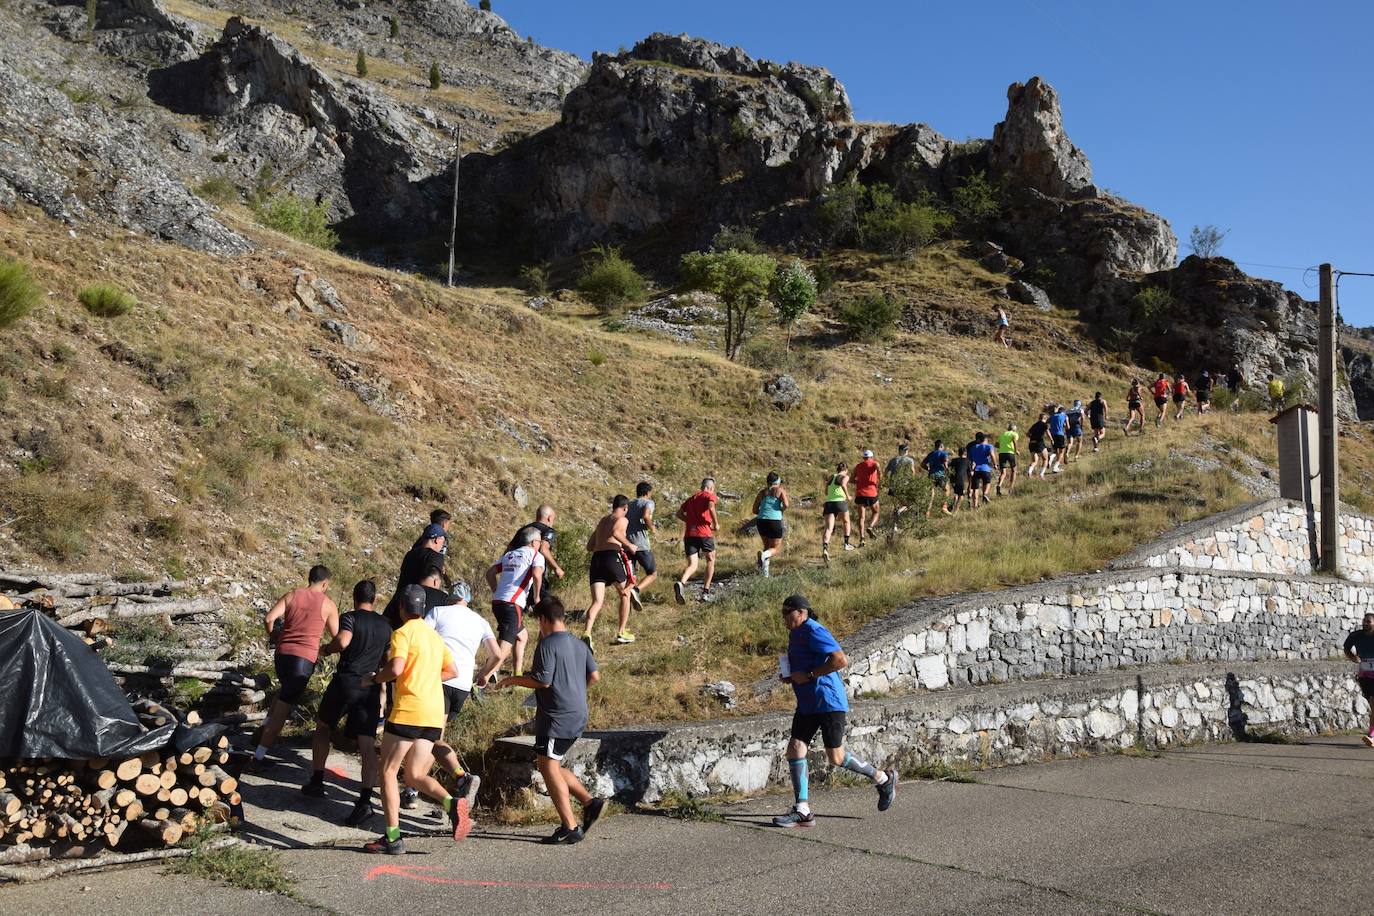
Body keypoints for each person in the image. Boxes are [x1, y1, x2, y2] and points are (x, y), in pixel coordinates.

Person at [771, 595, 895, 828]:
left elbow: (840, 660)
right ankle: (803, 810)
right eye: (782, 612)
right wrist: (792, 676)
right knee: (795, 747)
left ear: (801, 612)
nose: (784, 617)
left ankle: (883, 778)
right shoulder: (795, 634)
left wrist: (807, 675)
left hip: (828, 700)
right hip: (807, 703)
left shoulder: (814, 630)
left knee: (836, 757)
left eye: (787, 612)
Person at [493, 595, 606, 845]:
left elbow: (542, 680)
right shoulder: (579, 644)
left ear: (542, 619)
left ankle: (570, 826)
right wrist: (575, 691)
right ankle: (589, 802)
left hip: (556, 718)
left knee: (547, 767)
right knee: (551, 764)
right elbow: (594, 676)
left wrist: (512, 679)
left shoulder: (547, 645)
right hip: (578, 714)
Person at [364, 586, 468, 855]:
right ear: (422, 609)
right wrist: (427, 679)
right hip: (433, 715)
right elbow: (452, 670)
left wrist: (376, 678)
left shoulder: (402, 633)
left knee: (387, 772)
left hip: (409, 711)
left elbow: (396, 668)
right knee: (415, 774)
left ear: (401, 608)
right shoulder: (435, 638)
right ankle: (450, 802)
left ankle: (393, 838)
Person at [302, 579, 389, 826]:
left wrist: (327, 650)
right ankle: (364, 801)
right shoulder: (385, 624)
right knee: (367, 744)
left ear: (354, 597)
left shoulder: (350, 617)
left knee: (323, 727)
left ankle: (317, 781)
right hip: (369, 686)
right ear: (375, 599)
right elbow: (388, 658)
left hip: (346, 682)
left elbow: (342, 641)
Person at [252, 565, 340, 769]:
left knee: (283, 692)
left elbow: (269, 618)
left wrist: (273, 634)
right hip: (304, 659)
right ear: (325, 583)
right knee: (284, 706)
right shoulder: (328, 604)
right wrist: (327, 649)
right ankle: (258, 756)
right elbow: (337, 637)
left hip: (282, 654)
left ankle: (262, 729)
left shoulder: (292, 595)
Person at [420, 579, 498, 807]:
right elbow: (497, 654)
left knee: (432, 738)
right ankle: (418, 787)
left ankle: (461, 778)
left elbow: (421, 638)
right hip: (463, 685)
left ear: (449, 596)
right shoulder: (480, 621)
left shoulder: (438, 611)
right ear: (469, 599)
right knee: (434, 736)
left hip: (440, 679)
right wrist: (483, 675)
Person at [484, 526, 545, 679]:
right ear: (532, 542)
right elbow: (537, 575)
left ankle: (516, 674)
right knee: (505, 646)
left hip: (498, 602)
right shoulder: (535, 555)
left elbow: (490, 573)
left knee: (522, 636)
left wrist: (496, 591)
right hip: (513, 604)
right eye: (539, 541)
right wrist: (537, 598)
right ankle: (482, 678)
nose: (541, 544)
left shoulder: (510, 554)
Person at [583, 495, 638, 651]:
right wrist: (629, 545)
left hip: (596, 560)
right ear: (625, 508)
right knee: (625, 594)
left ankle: (587, 633)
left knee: (597, 602)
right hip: (611, 558)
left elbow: (589, 546)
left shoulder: (602, 521)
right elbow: (616, 532)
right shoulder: (622, 519)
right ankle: (621, 631)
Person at [384, 529, 446, 629]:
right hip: (418, 605)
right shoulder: (436, 557)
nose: (441, 546)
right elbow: (432, 579)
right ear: (437, 540)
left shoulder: (409, 554)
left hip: (399, 600)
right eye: (442, 542)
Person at [675, 478, 719, 604]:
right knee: (710, 560)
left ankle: (681, 583)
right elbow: (711, 506)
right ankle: (705, 591)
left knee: (692, 565)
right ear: (710, 488)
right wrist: (715, 524)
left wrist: (690, 521)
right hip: (704, 533)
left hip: (690, 534)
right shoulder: (709, 496)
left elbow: (678, 514)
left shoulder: (691, 498)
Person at [509, 505, 566, 585]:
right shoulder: (549, 531)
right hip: (535, 577)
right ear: (549, 518)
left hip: (515, 576)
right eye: (553, 519)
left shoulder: (523, 530)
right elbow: (543, 549)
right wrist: (556, 568)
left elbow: (508, 551)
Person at [1343, 613, 1374, 748]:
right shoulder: (1356, 636)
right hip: (1364, 675)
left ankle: (1372, 735)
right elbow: (1346, 648)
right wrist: (1352, 657)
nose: (1365, 624)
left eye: (1369, 622)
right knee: (1372, 706)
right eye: (1364, 621)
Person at [625, 482, 658, 612]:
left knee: (631, 578)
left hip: (627, 545)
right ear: (648, 493)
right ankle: (636, 590)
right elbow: (645, 515)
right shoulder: (648, 503)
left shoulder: (629, 505)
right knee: (652, 573)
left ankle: (628, 607)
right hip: (641, 545)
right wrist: (653, 528)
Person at [820, 463, 853, 560]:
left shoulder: (831, 477)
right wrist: (848, 496)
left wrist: (829, 493)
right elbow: (843, 484)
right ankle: (846, 544)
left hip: (829, 503)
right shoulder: (845, 476)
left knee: (828, 528)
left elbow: (826, 490)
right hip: (840, 502)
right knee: (846, 522)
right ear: (846, 469)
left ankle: (825, 549)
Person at [852, 449, 881, 546]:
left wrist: (860, 482)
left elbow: (852, 479)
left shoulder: (858, 466)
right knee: (876, 512)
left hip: (860, 494)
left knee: (861, 518)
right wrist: (880, 480)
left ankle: (862, 539)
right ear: (871, 457)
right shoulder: (874, 464)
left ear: (863, 457)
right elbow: (879, 469)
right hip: (872, 493)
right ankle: (871, 527)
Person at [884, 443, 917, 518]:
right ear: (901, 451)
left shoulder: (892, 460)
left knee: (895, 506)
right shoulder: (909, 460)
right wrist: (913, 482)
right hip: (904, 484)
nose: (907, 451)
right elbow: (912, 471)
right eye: (906, 450)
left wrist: (887, 482)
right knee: (908, 504)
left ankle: (894, 526)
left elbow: (885, 472)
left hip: (892, 485)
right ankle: (900, 512)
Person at [920, 440, 950, 518]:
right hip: (940, 475)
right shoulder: (944, 453)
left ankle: (927, 513)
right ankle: (944, 507)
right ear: (941, 446)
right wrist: (947, 470)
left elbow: (922, 464)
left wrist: (928, 469)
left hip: (931, 475)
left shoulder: (930, 454)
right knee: (946, 489)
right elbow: (946, 462)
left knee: (931, 495)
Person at [967, 433, 996, 507]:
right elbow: (992, 455)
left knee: (975, 489)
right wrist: (995, 464)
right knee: (987, 483)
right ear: (985, 440)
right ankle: (985, 494)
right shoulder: (989, 446)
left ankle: (975, 505)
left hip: (975, 470)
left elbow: (969, 459)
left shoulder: (972, 447)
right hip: (985, 468)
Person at [995, 423, 1019, 497]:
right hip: (1010, 453)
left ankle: (999, 485)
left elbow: (996, 445)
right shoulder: (1014, 434)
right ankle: (1011, 488)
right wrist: (1016, 450)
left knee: (1003, 472)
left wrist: (1002, 445)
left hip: (1001, 453)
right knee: (1014, 470)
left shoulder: (1002, 434)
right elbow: (1014, 440)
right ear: (1014, 429)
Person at [946, 446, 971, 514]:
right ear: (966, 453)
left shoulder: (954, 460)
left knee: (956, 493)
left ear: (959, 453)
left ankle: (952, 505)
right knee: (961, 495)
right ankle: (955, 512)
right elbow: (970, 473)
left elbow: (947, 466)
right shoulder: (967, 461)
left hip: (953, 479)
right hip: (961, 479)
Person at [1026, 411, 1051, 478]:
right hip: (1039, 442)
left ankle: (1029, 471)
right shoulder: (1045, 424)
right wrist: (1051, 440)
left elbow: (1028, 434)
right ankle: (1041, 474)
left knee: (1034, 461)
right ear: (1045, 418)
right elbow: (1048, 432)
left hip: (1031, 443)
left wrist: (1032, 437)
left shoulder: (1034, 425)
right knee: (1045, 459)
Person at [1047, 405, 1069, 473]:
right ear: (1063, 411)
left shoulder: (1052, 416)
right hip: (1060, 434)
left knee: (1056, 451)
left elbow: (1046, 423)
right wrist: (1063, 426)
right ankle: (1055, 467)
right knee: (1061, 452)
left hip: (1053, 435)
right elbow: (1068, 427)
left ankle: (1051, 457)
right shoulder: (1065, 416)